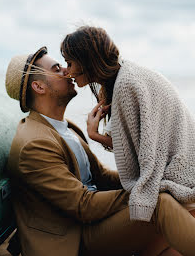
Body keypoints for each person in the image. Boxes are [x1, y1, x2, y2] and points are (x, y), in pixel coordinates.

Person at [5, 46, 193, 256]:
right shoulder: (34, 144)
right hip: (75, 239)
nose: (68, 71)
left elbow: (101, 177)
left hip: (93, 224)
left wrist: (156, 180)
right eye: (57, 69)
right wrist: (148, 189)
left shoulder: (63, 127)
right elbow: (82, 205)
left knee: (176, 212)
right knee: (159, 204)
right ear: (39, 86)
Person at [60, 26, 195, 255]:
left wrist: (96, 136)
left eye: (69, 63)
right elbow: (143, 144)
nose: (67, 71)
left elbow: (147, 151)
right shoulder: (127, 75)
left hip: (178, 179)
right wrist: (98, 136)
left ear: (86, 60)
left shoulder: (126, 84)